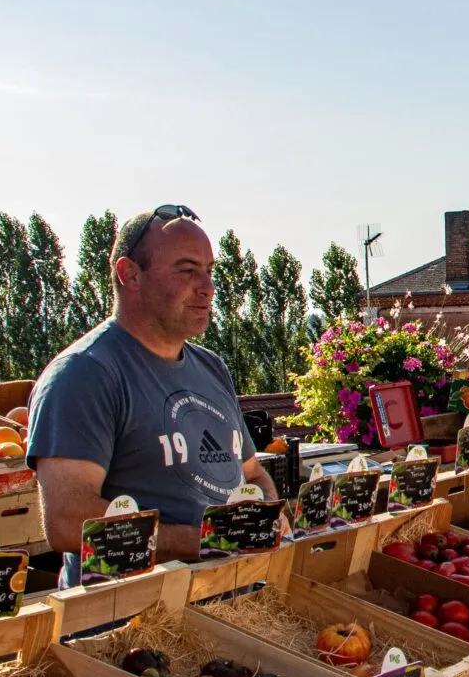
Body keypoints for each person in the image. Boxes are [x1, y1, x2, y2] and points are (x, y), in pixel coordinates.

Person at [27, 206, 281, 586]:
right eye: (186, 270)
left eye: (209, 271)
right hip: (128, 622)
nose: (208, 287)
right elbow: (68, 521)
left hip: (228, 603)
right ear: (130, 274)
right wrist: (207, 542)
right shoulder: (84, 374)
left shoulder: (211, 368)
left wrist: (269, 520)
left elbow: (252, 474)